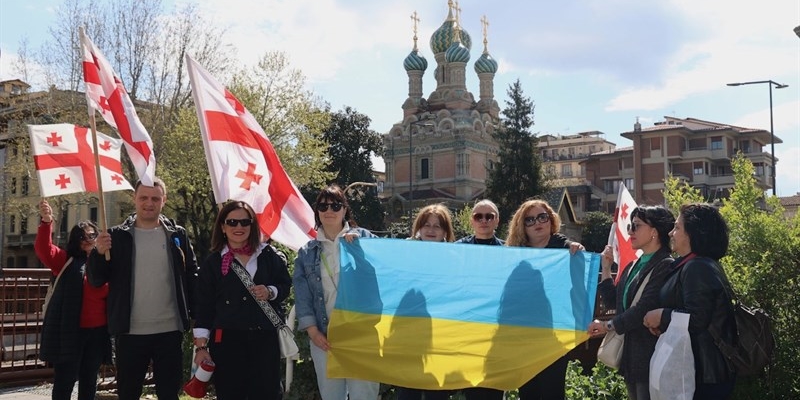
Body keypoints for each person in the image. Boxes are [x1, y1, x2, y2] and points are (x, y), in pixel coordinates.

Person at [87, 178, 198, 400]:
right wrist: (98, 254)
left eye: (155, 198)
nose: (149, 203)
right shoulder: (115, 237)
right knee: (129, 394)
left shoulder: (177, 235)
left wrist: (198, 321)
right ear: (134, 199)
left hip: (170, 330)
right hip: (130, 332)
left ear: (163, 201)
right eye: (144, 198)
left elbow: (191, 276)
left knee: (169, 394)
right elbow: (95, 280)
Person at [193, 201, 291, 399]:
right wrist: (201, 348)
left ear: (252, 226)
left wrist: (270, 291)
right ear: (222, 226)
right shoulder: (213, 263)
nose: (239, 227)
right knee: (230, 394)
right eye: (232, 222)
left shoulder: (268, 255)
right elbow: (204, 307)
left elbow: (284, 285)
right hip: (227, 341)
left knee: (268, 394)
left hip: (264, 339)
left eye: (245, 222)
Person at [293, 185, 380, 400]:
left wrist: (359, 249)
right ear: (317, 212)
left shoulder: (364, 239)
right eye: (323, 206)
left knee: (364, 396)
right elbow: (303, 297)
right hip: (325, 336)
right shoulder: (306, 252)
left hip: (362, 335)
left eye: (335, 205)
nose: (329, 210)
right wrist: (313, 333)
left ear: (345, 210)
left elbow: (384, 272)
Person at [643, 203, 737, 400]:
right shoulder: (696, 264)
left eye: (677, 227)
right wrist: (664, 322)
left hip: (704, 377)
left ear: (694, 233)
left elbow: (697, 319)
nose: (670, 233)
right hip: (697, 372)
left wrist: (661, 316)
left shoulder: (698, 267)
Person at [587, 205, 676, 400]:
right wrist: (607, 268)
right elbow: (615, 301)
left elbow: (643, 309)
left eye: (636, 226)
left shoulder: (666, 265)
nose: (630, 232)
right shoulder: (633, 264)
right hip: (631, 357)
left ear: (654, 232)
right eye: (629, 226)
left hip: (650, 356)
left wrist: (607, 325)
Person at [505, 199, 584, 400]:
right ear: (522, 226)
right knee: (529, 394)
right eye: (530, 220)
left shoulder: (563, 248)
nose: (537, 223)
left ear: (551, 219)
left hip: (554, 338)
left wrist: (575, 248)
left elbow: (577, 283)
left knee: (552, 393)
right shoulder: (514, 256)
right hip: (524, 338)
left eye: (542, 217)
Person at [35, 199, 112, 400]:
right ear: (75, 241)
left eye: (92, 235)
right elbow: (44, 249)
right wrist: (46, 221)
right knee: (64, 382)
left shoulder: (108, 262)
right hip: (70, 333)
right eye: (82, 237)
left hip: (97, 333)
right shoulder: (66, 261)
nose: (88, 239)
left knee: (89, 381)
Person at [396, 204, 455, 400]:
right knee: (407, 393)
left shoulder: (456, 258)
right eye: (427, 225)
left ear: (445, 231)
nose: (431, 230)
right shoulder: (403, 254)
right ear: (418, 228)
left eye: (437, 226)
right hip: (408, 337)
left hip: (440, 338)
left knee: (437, 394)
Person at [456, 199, 504, 400]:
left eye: (489, 216)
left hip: (497, 329)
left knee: (495, 386)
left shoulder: (509, 250)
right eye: (478, 216)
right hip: (469, 328)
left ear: (497, 221)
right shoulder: (457, 249)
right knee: (472, 388)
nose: (483, 220)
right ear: (472, 220)